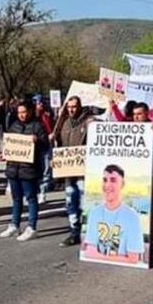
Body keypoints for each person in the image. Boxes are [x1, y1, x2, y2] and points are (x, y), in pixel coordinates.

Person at [0, 101, 49, 241]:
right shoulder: (14, 126)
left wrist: (37, 141)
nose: (22, 115)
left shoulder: (37, 126)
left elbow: (45, 146)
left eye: (24, 112)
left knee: (31, 198)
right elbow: (9, 144)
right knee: (16, 199)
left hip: (29, 170)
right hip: (13, 169)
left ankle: (31, 227)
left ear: (30, 112)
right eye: (19, 112)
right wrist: (4, 154)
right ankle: (15, 225)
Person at [54, 96, 96, 247]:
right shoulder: (63, 123)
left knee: (85, 203)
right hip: (68, 172)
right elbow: (58, 146)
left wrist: (95, 124)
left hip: (83, 172)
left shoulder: (89, 122)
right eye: (69, 107)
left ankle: (88, 233)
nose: (72, 109)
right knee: (71, 202)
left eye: (74, 106)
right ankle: (74, 232)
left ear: (80, 106)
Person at [83, 164, 145, 263]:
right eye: (105, 180)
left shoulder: (132, 216)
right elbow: (89, 252)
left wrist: (97, 255)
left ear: (122, 184)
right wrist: (120, 257)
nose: (107, 185)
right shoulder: (95, 213)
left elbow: (133, 259)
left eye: (113, 180)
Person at [33, 94, 54, 204]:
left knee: (46, 169)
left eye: (41, 102)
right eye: (38, 102)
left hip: (46, 145)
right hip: (35, 147)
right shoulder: (33, 116)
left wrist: (52, 134)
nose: (40, 104)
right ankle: (35, 192)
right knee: (36, 170)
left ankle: (43, 192)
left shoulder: (47, 113)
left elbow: (50, 126)